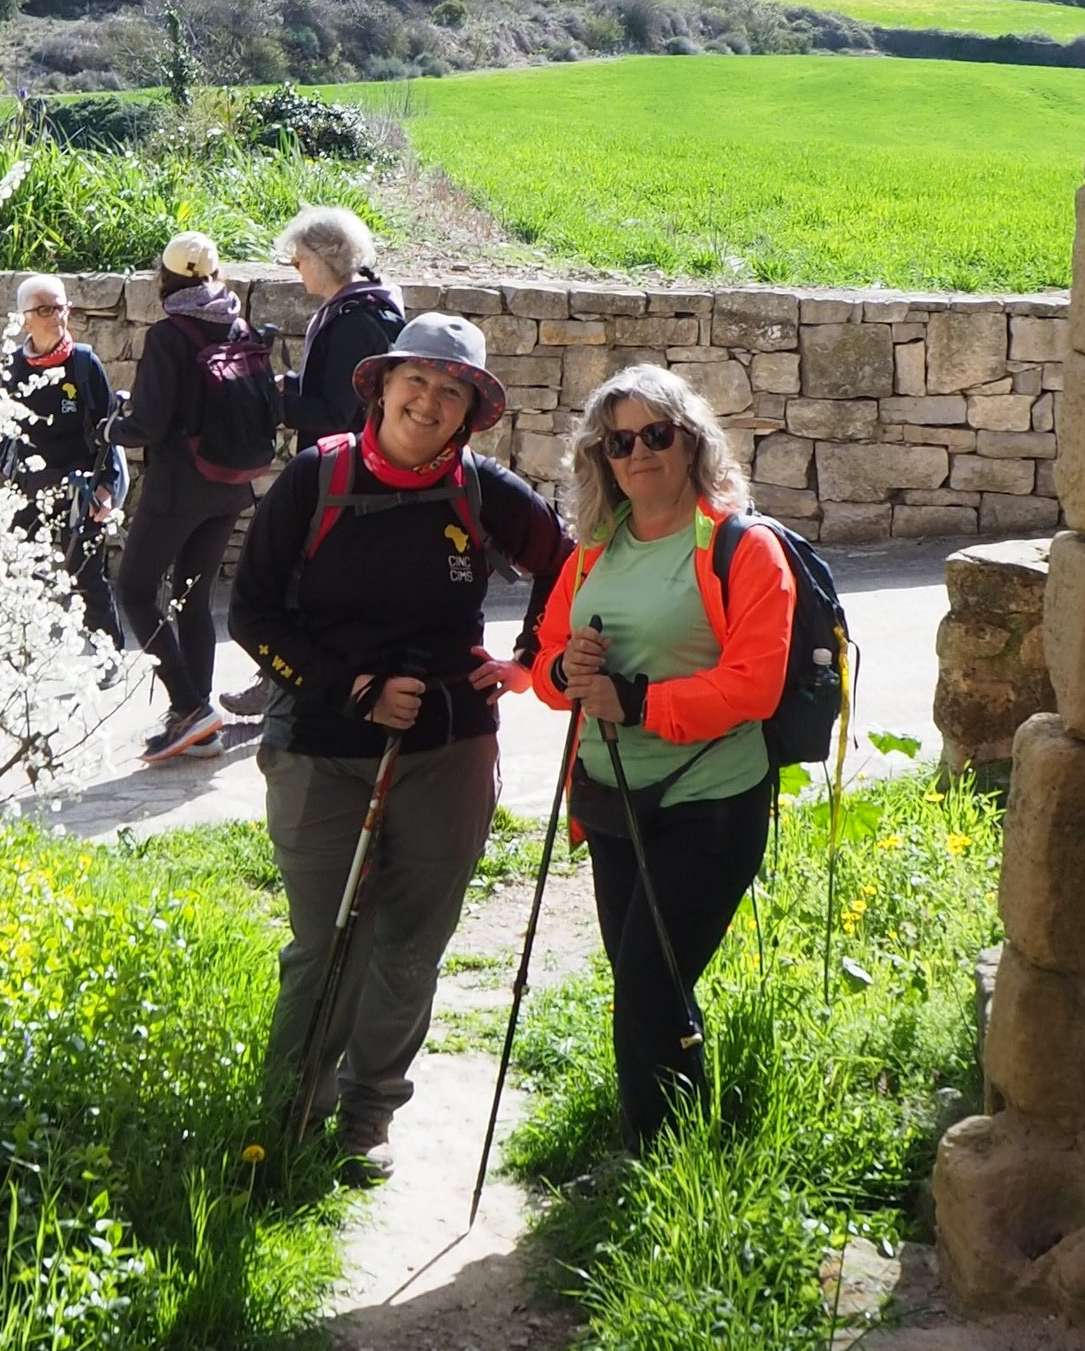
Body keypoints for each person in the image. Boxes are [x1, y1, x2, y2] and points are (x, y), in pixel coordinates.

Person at [231, 313, 570, 1172]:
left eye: (452, 391)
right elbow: (252, 616)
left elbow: (567, 564)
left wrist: (530, 661)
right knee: (326, 943)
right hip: (319, 743)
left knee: (413, 941)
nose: (429, 400)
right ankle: (289, 1116)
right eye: (415, 379)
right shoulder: (315, 478)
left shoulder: (483, 491)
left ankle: (368, 1116)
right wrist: (354, 689)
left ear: (470, 413)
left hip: (449, 748)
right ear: (381, 386)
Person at [528, 364, 793, 1144]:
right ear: (602, 458)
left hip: (710, 805)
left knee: (648, 979)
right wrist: (566, 671)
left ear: (691, 443)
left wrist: (638, 703)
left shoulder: (742, 548)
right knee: (642, 980)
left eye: (656, 434)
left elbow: (755, 686)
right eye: (620, 442)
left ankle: (657, 1153)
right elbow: (546, 662)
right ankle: (666, 1144)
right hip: (613, 802)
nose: (639, 452)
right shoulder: (592, 552)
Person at [114, 231, 281, 762]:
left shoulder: (169, 336)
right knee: (193, 598)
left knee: (134, 590)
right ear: (215, 275)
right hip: (230, 486)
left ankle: (189, 706)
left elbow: (146, 424)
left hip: (178, 489)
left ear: (164, 278)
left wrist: (110, 429)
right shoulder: (239, 325)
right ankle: (201, 726)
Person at [0, 274, 123, 644]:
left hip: (81, 490)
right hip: (28, 489)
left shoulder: (84, 364)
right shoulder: (11, 371)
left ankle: (109, 655)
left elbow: (108, 430)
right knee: (20, 572)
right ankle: (21, 651)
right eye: (45, 310)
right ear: (24, 320)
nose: (57, 316)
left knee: (87, 577)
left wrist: (107, 488)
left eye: (61, 307)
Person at [277, 205, 405, 451]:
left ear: (321, 260)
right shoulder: (367, 302)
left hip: (345, 463)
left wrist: (271, 404)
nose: (296, 268)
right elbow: (339, 383)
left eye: (298, 260)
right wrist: (289, 384)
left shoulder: (351, 325)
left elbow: (334, 415)